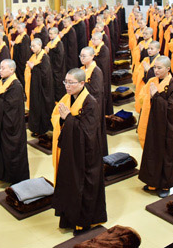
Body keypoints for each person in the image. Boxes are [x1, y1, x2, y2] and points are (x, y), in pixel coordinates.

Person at [51, 68, 107, 235]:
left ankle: (83, 222)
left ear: (82, 84)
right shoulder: (68, 98)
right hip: (70, 152)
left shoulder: (91, 103)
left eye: (71, 82)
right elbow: (56, 116)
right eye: (65, 82)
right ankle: (68, 217)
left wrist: (68, 118)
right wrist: (63, 119)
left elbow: (86, 133)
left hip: (86, 156)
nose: (67, 86)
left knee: (83, 188)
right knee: (69, 184)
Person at [138, 56, 173, 198]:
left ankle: (164, 184)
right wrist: (150, 97)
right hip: (152, 123)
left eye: (159, 68)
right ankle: (152, 181)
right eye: (154, 67)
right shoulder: (152, 81)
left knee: (166, 154)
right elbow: (142, 97)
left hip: (167, 127)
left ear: (168, 69)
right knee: (152, 151)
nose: (156, 70)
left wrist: (156, 96)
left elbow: (171, 108)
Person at [0, 59, 30, 183]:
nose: (0, 71)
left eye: (3, 68)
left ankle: (13, 178)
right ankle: (1, 174)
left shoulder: (16, 86)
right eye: (0, 68)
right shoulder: (3, 82)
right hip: (1, 124)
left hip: (11, 128)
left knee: (10, 152)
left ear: (12, 70)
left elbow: (9, 107)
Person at [80, 46, 108, 156]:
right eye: (80, 56)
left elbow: (96, 91)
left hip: (93, 106)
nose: (81, 58)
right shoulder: (82, 69)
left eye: (84, 56)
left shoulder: (96, 71)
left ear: (92, 56)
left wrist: (82, 84)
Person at [25, 38, 55, 137]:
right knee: (35, 107)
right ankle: (35, 128)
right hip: (35, 87)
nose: (32, 48)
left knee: (41, 107)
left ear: (40, 45)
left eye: (34, 46)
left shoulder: (44, 57)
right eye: (31, 46)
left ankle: (42, 129)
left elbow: (45, 74)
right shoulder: (34, 56)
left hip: (43, 89)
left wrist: (34, 68)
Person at [90, 31, 113, 115]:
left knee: (104, 93)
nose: (92, 41)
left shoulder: (104, 49)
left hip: (103, 75)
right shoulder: (95, 48)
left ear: (100, 39)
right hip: (97, 75)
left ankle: (106, 112)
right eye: (92, 39)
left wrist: (93, 58)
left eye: (94, 39)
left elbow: (102, 63)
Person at [45, 27, 66, 102]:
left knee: (57, 85)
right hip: (51, 67)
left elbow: (59, 57)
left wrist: (50, 51)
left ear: (56, 34)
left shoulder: (59, 43)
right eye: (49, 33)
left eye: (51, 34)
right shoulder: (50, 42)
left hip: (57, 69)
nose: (49, 35)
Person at [10, 22, 31, 87]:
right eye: (17, 28)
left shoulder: (25, 37)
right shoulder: (18, 36)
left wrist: (15, 45)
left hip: (22, 60)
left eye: (19, 28)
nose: (17, 29)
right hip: (17, 59)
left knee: (22, 76)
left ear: (24, 28)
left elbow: (24, 50)